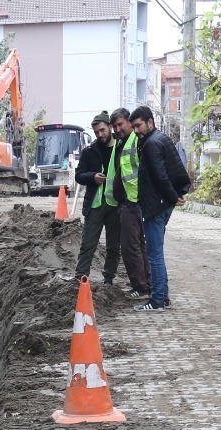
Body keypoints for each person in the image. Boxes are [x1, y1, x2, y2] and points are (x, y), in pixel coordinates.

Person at [129, 106, 192, 312]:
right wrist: (175, 194)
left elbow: (160, 175)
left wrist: (173, 197)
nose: (136, 130)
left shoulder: (151, 144)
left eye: (138, 126)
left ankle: (157, 300)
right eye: (134, 127)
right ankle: (162, 298)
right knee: (155, 252)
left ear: (150, 122)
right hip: (163, 203)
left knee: (154, 254)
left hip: (156, 205)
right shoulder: (159, 139)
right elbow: (174, 169)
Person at [108, 108, 151, 298]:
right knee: (138, 245)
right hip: (130, 201)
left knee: (130, 246)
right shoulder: (123, 143)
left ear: (128, 122)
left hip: (133, 201)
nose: (117, 129)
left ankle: (140, 286)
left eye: (120, 125)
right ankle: (145, 283)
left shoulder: (134, 141)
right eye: (114, 126)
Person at [73, 112, 120, 285]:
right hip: (95, 204)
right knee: (88, 244)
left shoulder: (121, 147)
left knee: (114, 246)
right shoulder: (90, 151)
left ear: (109, 127)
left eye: (102, 130)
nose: (100, 134)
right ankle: (80, 277)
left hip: (116, 205)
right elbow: (79, 175)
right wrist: (92, 177)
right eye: (97, 132)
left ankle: (109, 279)